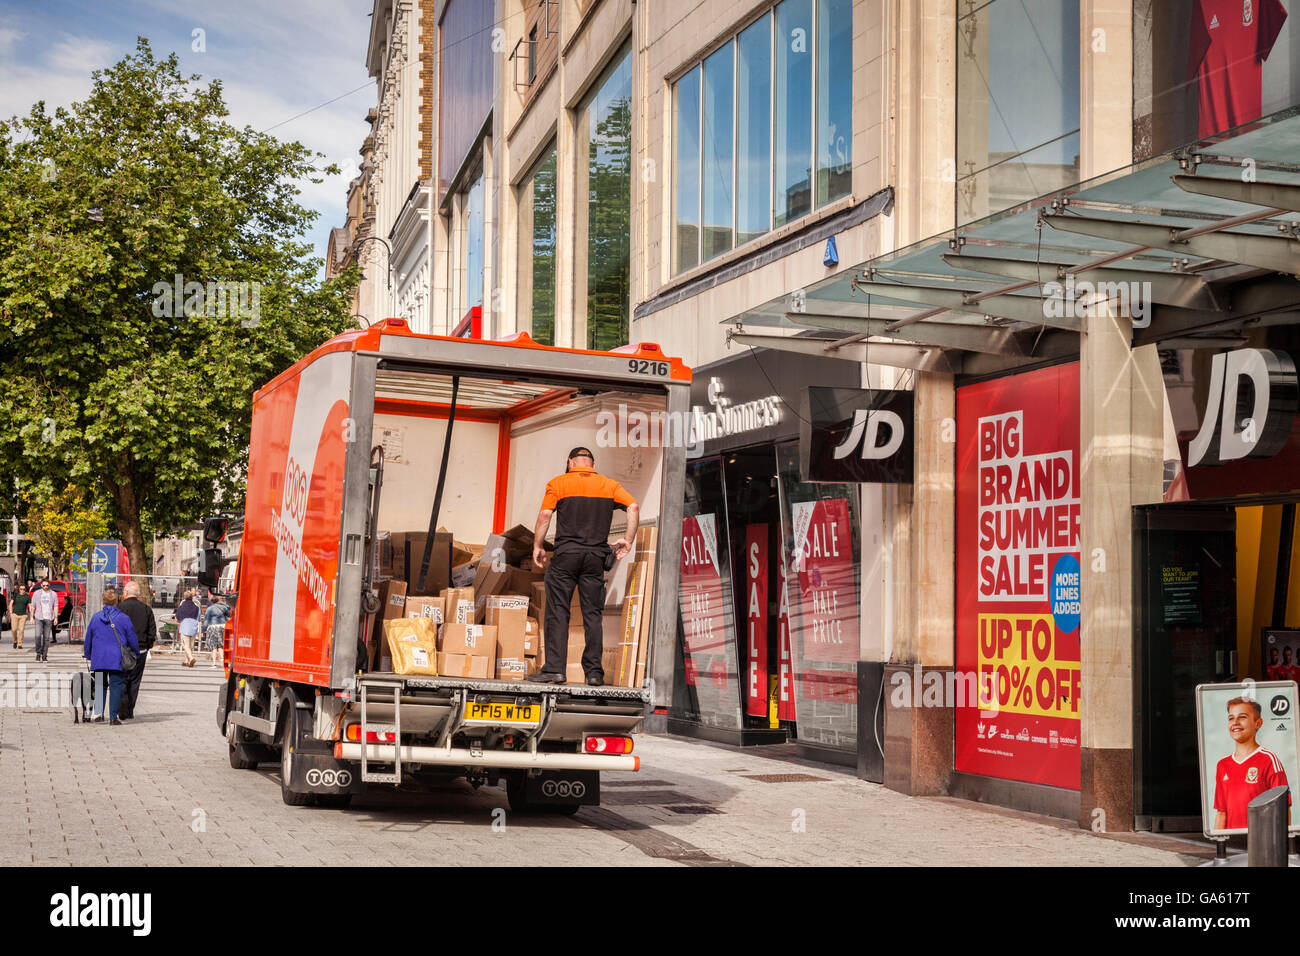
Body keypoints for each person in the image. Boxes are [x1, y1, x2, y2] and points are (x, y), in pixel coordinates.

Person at [531, 446, 638, 686]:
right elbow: (633, 507)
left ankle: (555, 670)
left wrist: (537, 545)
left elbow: (545, 516)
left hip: (566, 556)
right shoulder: (608, 485)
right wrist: (628, 541)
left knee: (558, 612)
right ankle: (594, 673)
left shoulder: (558, 483)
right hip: (595, 558)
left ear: (570, 463)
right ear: (592, 464)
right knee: (592, 615)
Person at [1212, 696, 1290, 831]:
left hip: (1263, 844)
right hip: (1233, 846)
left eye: (1242, 717)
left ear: (1257, 724)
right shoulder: (1223, 765)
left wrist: (1280, 846)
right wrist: (1218, 846)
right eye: (1231, 718)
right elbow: (1221, 813)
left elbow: (1283, 808)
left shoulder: (1269, 760)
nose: (1235, 722)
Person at [82, 587, 139, 726]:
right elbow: (132, 638)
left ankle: (99, 714)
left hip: (99, 657)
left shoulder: (95, 618)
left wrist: (88, 654)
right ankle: (113, 717)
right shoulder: (124, 618)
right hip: (117, 658)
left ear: (103, 601)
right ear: (116, 602)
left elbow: (88, 638)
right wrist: (135, 653)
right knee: (116, 686)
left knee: (100, 685)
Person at [118, 580, 157, 719]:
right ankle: (130, 710)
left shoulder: (120, 608)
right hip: (140, 650)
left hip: (122, 650)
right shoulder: (146, 609)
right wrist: (148, 645)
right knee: (135, 681)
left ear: (126, 592)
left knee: (122, 678)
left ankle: (122, 701)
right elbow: (152, 630)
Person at [30, 579, 58, 662]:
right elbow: (33, 606)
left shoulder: (53, 594)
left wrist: (56, 617)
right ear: (41, 585)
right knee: (37, 636)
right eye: (44, 585)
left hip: (49, 618)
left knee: (46, 638)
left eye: (47, 585)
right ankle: (38, 653)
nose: (45, 587)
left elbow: (55, 606)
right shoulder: (36, 593)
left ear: (49, 586)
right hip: (39, 617)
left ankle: (44, 655)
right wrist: (31, 617)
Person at [202, 594, 229, 667]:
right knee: (221, 645)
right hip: (222, 627)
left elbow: (206, 620)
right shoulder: (224, 608)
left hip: (213, 627)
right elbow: (228, 617)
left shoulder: (209, 609)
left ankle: (214, 663)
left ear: (211, 601)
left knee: (213, 645)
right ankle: (223, 660)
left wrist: (203, 630)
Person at [176, 589, 200, 667]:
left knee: (186, 645)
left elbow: (177, 619)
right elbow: (198, 618)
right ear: (192, 597)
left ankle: (191, 658)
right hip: (193, 627)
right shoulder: (196, 608)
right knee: (191, 645)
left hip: (185, 626)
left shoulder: (181, 607)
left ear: (184, 597)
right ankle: (187, 661)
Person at [9, 584, 29, 650]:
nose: (22, 590)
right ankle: (15, 641)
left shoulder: (27, 596)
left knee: (21, 630)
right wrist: (11, 613)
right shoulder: (15, 595)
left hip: (23, 615)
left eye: (24, 589)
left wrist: (31, 615)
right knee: (14, 629)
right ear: (19, 589)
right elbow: (11, 604)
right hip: (15, 615)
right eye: (21, 589)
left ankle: (20, 644)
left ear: (25, 590)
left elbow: (30, 605)